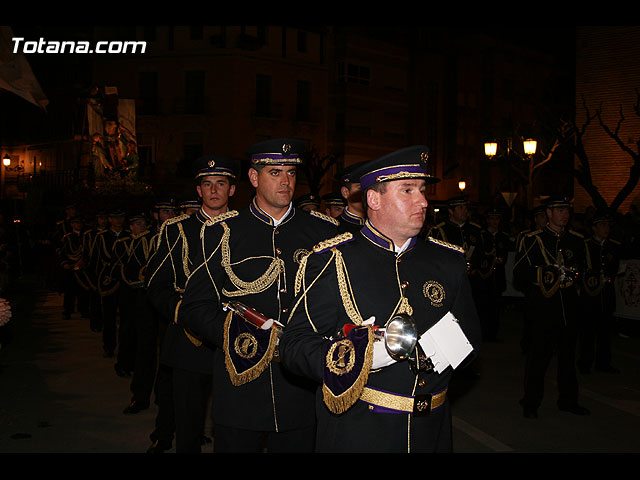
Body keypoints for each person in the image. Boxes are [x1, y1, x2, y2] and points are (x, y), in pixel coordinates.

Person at [278, 145, 481, 453]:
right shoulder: (332, 259)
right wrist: (359, 357)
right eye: (408, 191)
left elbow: (472, 342)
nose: (423, 201)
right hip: (361, 431)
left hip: (433, 430)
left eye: (422, 190)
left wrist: (442, 350)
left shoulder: (447, 260)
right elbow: (294, 347)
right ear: (373, 199)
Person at [179, 138, 338, 453]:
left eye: (291, 173)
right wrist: (239, 334)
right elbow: (195, 307)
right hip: (241, 385)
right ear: (254, 178)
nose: (285, 181)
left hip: (301, 387)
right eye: (275, 172)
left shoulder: (323, 233)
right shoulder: (221, 232)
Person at [144, 156, 237, 453]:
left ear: (232, 190)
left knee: (234, 421)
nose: (213, 190)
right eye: (207, 184)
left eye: (220, 184)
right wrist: (185, 314)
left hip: (233, 335)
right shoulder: (176, 229)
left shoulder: (245, 228)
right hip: (188, 338)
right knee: (188, 420)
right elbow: (156, 284)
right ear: (198, 191)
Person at [513, 196, 590, 419]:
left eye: (567, 210)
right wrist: (546, 273)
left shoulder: (576, 240)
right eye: (559, 210)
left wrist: (574, 274)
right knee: (539, 357)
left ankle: (568, 400)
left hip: (568, 305)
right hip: (543, 306)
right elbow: (520, 274)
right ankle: (531, 402)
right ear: (548, 213)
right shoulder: (532, 239)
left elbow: (582, 270)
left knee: (567, 357)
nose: (564, 214)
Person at [578, 210, 621, 374]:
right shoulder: (586, 245)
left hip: (606, 293)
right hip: (590, 295)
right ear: (594, 228)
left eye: (607, 225)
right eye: (602, 225)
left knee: (605, 331)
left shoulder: (614, 246)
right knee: (588, 330)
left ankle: (603, 363)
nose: (606, 228)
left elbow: (614, 267)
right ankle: (585, 363)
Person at [89, 209, 129, 358]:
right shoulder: (102, 237)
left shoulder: (128, 235)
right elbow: (95, 260)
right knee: (109, 317)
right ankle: (109, 346)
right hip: (109, 280)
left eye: (121, 217)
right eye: (115, 218)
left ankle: (125, 350)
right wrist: (97, 282)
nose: (118, 221)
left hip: (125, 280)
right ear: (110, 220)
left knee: (126, 318)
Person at [475, 208, 511, 341]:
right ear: (488, 220)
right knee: (483, 306)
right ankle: (482, 332)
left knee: (495, 307)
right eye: (492, 218)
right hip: (484, 277)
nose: (495, 221)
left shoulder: (504, 237)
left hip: (497, 277)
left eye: (497, 219)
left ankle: (493, 333)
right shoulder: (482, 236)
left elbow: (503, 257)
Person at [58, 215, 89, 319]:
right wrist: (65, 263)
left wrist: (84, 262)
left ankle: (84, 310)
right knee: (69, 291)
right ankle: (68, 310)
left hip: (82, 267)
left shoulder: (86, 237)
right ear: (72, 225)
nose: (78, 225)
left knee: (83, 290)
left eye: (80, 223)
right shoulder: (67, 238)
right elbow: (62, 252)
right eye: (76, 223)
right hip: (70, 267)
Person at [336, 160, 369, 234]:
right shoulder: (333, 229)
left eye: (371, 188)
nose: (369, 194)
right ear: (345, 192)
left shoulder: (383, 226)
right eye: (361, 188)